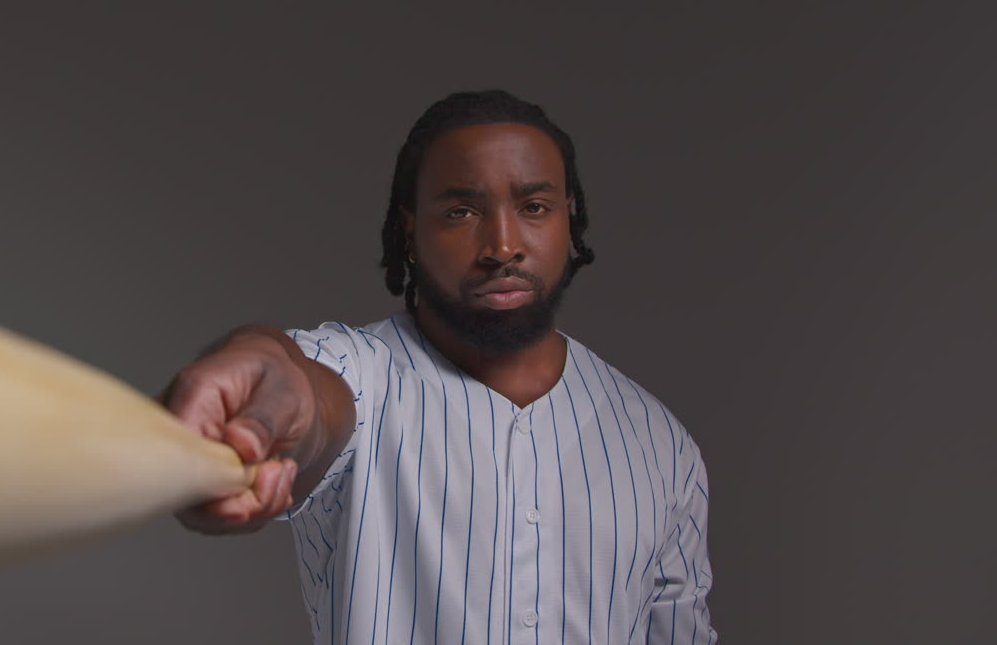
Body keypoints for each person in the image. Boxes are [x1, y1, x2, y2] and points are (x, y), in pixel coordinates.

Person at [163, 90, 716, 644]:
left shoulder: (661, 445)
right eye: (461, 212)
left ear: (569, 218)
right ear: (410, 230)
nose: (502, 246)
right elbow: (303, 385)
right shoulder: (367, 377)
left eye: (533, 207)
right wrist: (262, 377)